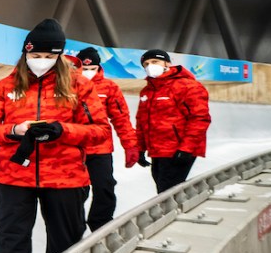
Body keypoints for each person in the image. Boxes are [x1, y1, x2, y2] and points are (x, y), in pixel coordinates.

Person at [0, 18, 109, 253]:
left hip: (66, 180)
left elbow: (100, 131)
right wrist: (14, 130)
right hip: (14, 178)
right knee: (10, 246)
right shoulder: (5, 86)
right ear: (25, 54)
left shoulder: (79, 86)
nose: (41, 61)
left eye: (49, 56)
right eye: (36, 56)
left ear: (59, 56)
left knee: (66, 247)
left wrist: (62, 130)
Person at [75, 46, 139, 231]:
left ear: (98, 67)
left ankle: (100, 224)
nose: (87, 73)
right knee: (76, 192)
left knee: (104, 187)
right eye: (84, 69)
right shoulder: (68, 84)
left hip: (100, 150)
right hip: (74, 149)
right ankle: (75, 227)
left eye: (91, 69)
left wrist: (130, 146)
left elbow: (121, 118)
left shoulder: (109, 87)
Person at [135, 48, 211, 193]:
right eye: (146, 64)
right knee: (163, 189)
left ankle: (173, 214)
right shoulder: (148, 91)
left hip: (178, 149)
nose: (150, 66)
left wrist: (186, 148)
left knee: (167, 191)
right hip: (158, 150)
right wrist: (140, 148)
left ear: (167, 63)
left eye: (155, 61)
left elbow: (200, 118)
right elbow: (142, 122)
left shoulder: (188, 86)